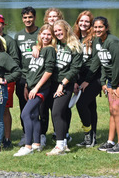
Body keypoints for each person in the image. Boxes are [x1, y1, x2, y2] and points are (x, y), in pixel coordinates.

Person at [90, 16, 119, 154]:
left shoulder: (113, 42)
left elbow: (117, 66)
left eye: (100, 27)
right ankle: (110, 142)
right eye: (95, 27)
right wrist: (103, 82)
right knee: (112, 110)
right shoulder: (98, 41)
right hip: (112, 78)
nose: (98, 29)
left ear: (106, 27)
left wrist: (113, 86)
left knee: (116, 109)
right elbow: (103, 63)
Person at [14, 24, 56, 156]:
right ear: (39, 35)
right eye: (44, 34)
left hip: (41, 88)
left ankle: (28, 146)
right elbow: (32, 70)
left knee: (25, 114)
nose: (46, 36)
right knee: (33, 116)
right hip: (31, 87)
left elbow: (49, 71)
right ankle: (36, 144)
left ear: (52, 37)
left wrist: (36, 88)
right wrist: (27, 86)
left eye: (49, 34)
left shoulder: (50, 50)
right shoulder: (38, 49)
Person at [46, 20, 83, 155]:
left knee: (57, 112)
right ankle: (64, 143)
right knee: (57, 113)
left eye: (59, 30)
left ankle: (60, 145)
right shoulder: (55, 45)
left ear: (66, 29)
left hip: (65, 84)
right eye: (55, 31)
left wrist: (63, 84)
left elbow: (75, 69)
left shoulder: (75, 46)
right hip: (53, 83)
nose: (57, 33)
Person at [0, 14, 21, 148]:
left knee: (5, 109)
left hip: (5, 81)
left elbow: (16, 62)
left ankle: (7, 138)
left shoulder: (9, 40)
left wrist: (5, 78)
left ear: (3, 25)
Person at [73, 11, 101, 148]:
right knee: (90, 106)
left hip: (93, 78)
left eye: (87, 22)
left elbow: (96, 61)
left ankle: (90, 134)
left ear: (90, 24)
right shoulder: (75, 38)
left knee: (82, 104)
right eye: (81, 21)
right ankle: (90, 137)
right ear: (77, 22)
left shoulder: (94, 39)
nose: (83, 24)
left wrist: (87, 81)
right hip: (80, 77)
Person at [15, 7, 39, 145]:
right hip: (23, 77)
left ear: (35, 17)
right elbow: (17, 59)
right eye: (25, 18)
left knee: (38, 108)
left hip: (38, 76)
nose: (28, 20)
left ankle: (40, 135)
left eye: (30, 17)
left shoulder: (41, 33)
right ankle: (25, 134)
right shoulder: (18, 36)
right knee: (24, 107)